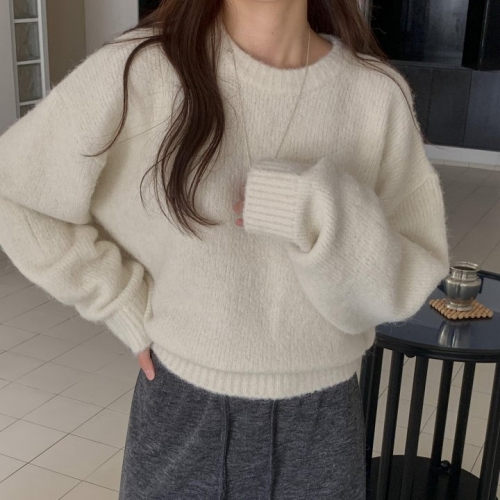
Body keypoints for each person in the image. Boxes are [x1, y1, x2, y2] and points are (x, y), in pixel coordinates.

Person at [0, 0, 450, 498]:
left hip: (321, 423)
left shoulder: (376, 95)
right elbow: (14, 192)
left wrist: (316, 208)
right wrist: (120, 303)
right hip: (184, 412)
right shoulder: (142, 69)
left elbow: (400, 285)